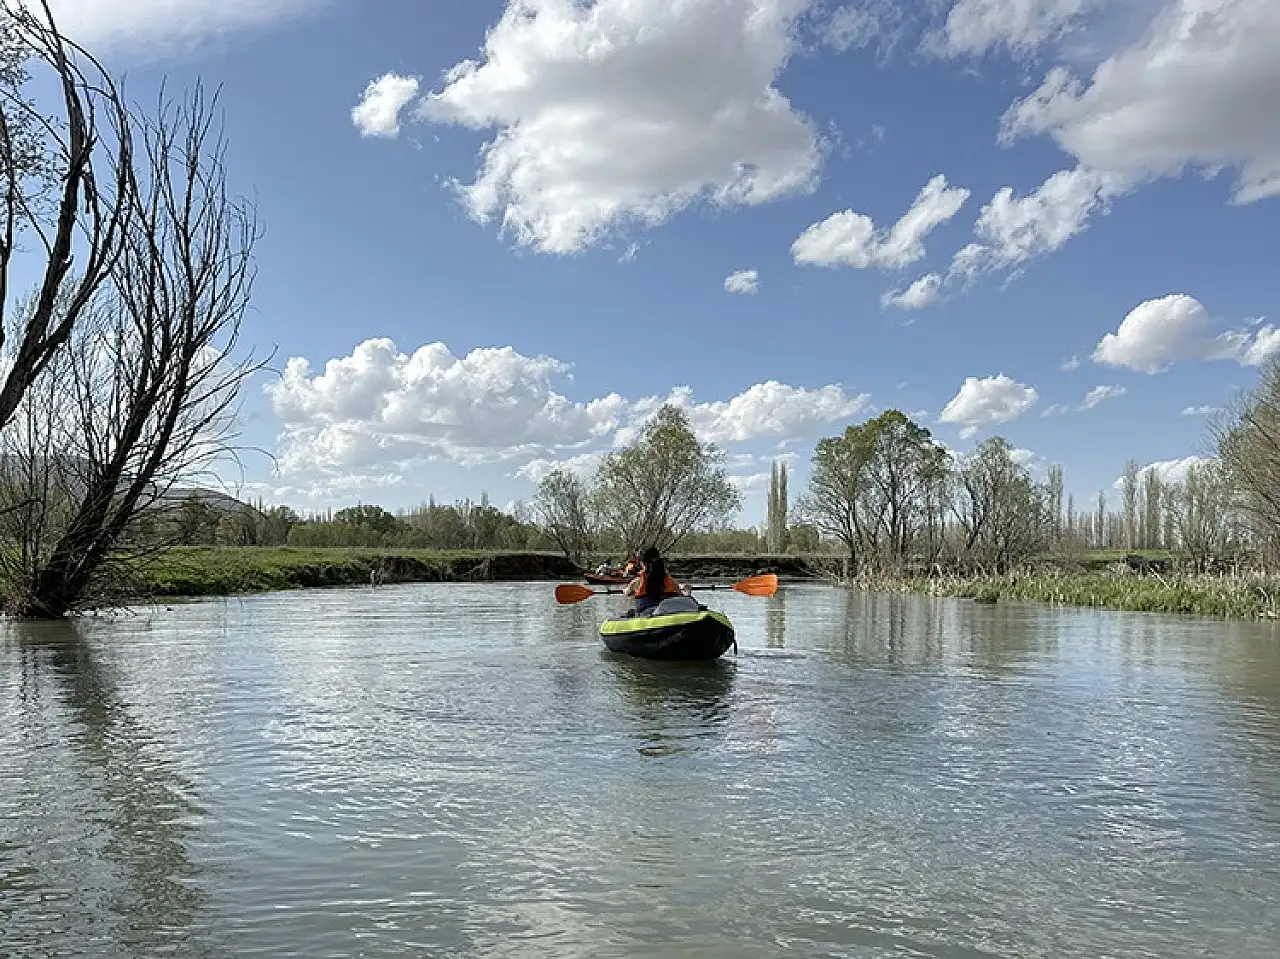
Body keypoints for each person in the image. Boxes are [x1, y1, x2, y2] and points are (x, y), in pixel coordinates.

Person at [624, 546, 688, 613]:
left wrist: (625, 590)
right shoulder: (670, 581)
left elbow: (627, 593)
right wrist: (686, 591)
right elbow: (680, 594)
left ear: (643, 564)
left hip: (648, 614)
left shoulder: (638, 581)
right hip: (670, 612)